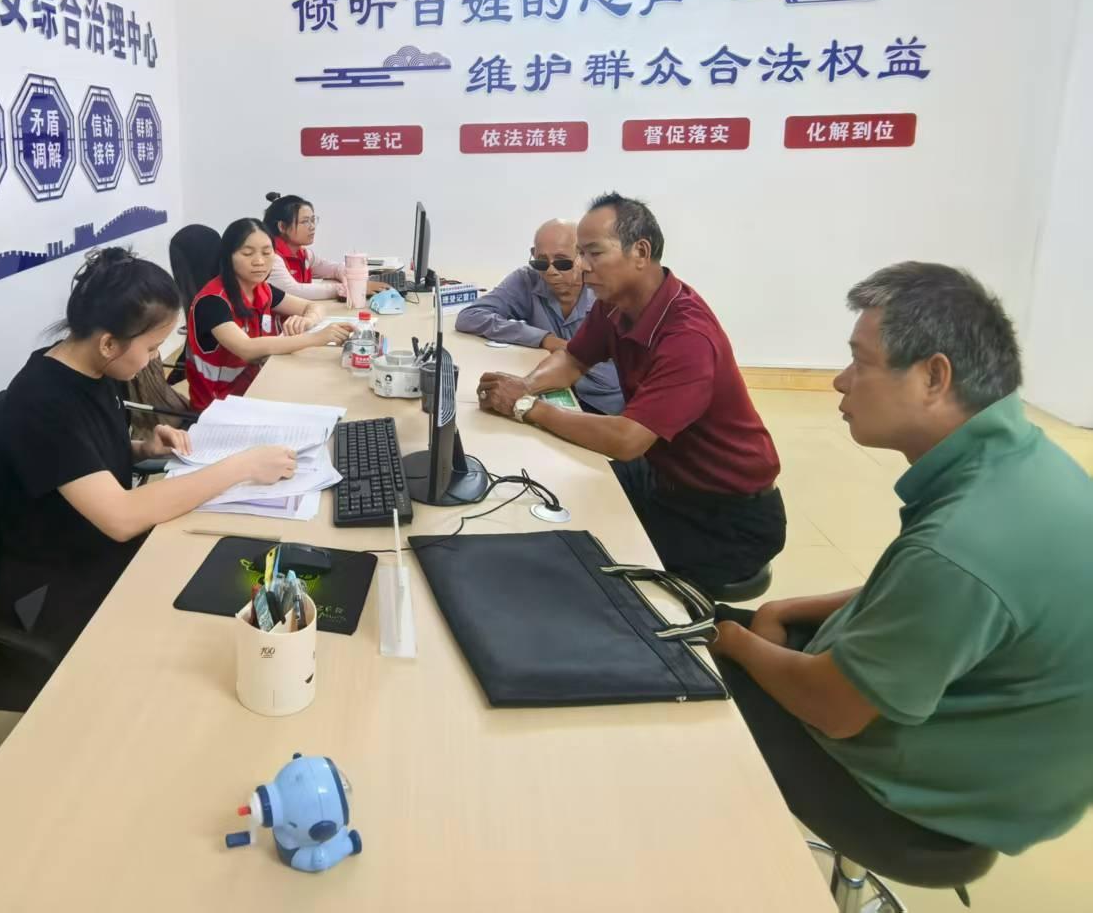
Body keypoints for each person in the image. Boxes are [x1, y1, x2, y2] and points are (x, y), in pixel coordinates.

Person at [711, 263, 1093, 858]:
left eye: (860, 361)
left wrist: (732, 641)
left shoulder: (963, 544)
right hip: (996, 754)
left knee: (683, 676)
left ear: (934, 376)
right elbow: (919, 596)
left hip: (922, 804)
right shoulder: (1023, 462)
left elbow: (834, 709)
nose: (840, 381)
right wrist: (786, 609)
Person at [0, 248, 299, 648]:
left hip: (104, 545)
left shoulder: (94, 367)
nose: (155, 359)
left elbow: (77, 462)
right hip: (61, 580)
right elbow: (120, 516)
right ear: (108, 343)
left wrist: (140, 448)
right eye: (153, 348)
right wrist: (243, 466)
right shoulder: (43, 402)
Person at [475, 193, 784, 590]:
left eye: (593, 253)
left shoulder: (687, 337)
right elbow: (573, 359)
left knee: (585, 566)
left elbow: (627, 440)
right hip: (663, 476)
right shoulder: (616, 303)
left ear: (640, 251)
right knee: (548, 495)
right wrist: (527, 384)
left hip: (724, 517)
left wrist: (526, 406)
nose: (582, 266)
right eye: (581, 254)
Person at [455, 217, 624, 414]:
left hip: (602, 405)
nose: (550, 271)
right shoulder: (528, 280)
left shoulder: (607, 295)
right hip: (551, 390)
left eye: (562, 262)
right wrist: (544, 339)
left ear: (582, 257)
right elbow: (470, 316)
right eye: (541, 262)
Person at [188, 217, 354, 410]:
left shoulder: (262, 288)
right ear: (228, 256)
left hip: (257, 386)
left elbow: (313, 307)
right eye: (247, 253)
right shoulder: (213, 301)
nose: (259, 261)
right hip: (220, 406)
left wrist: (308, 321)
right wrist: (316, 338)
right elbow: (247, 349)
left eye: (267, 253)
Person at [262, 191, 388, 301]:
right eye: (305, 221)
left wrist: (351, 282)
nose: (312, 227)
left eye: (313, 220)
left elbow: (335, 268)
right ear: (282, 226)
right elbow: (294, 291)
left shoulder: (303, 254)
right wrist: (347, 288)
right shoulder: (271, 257)